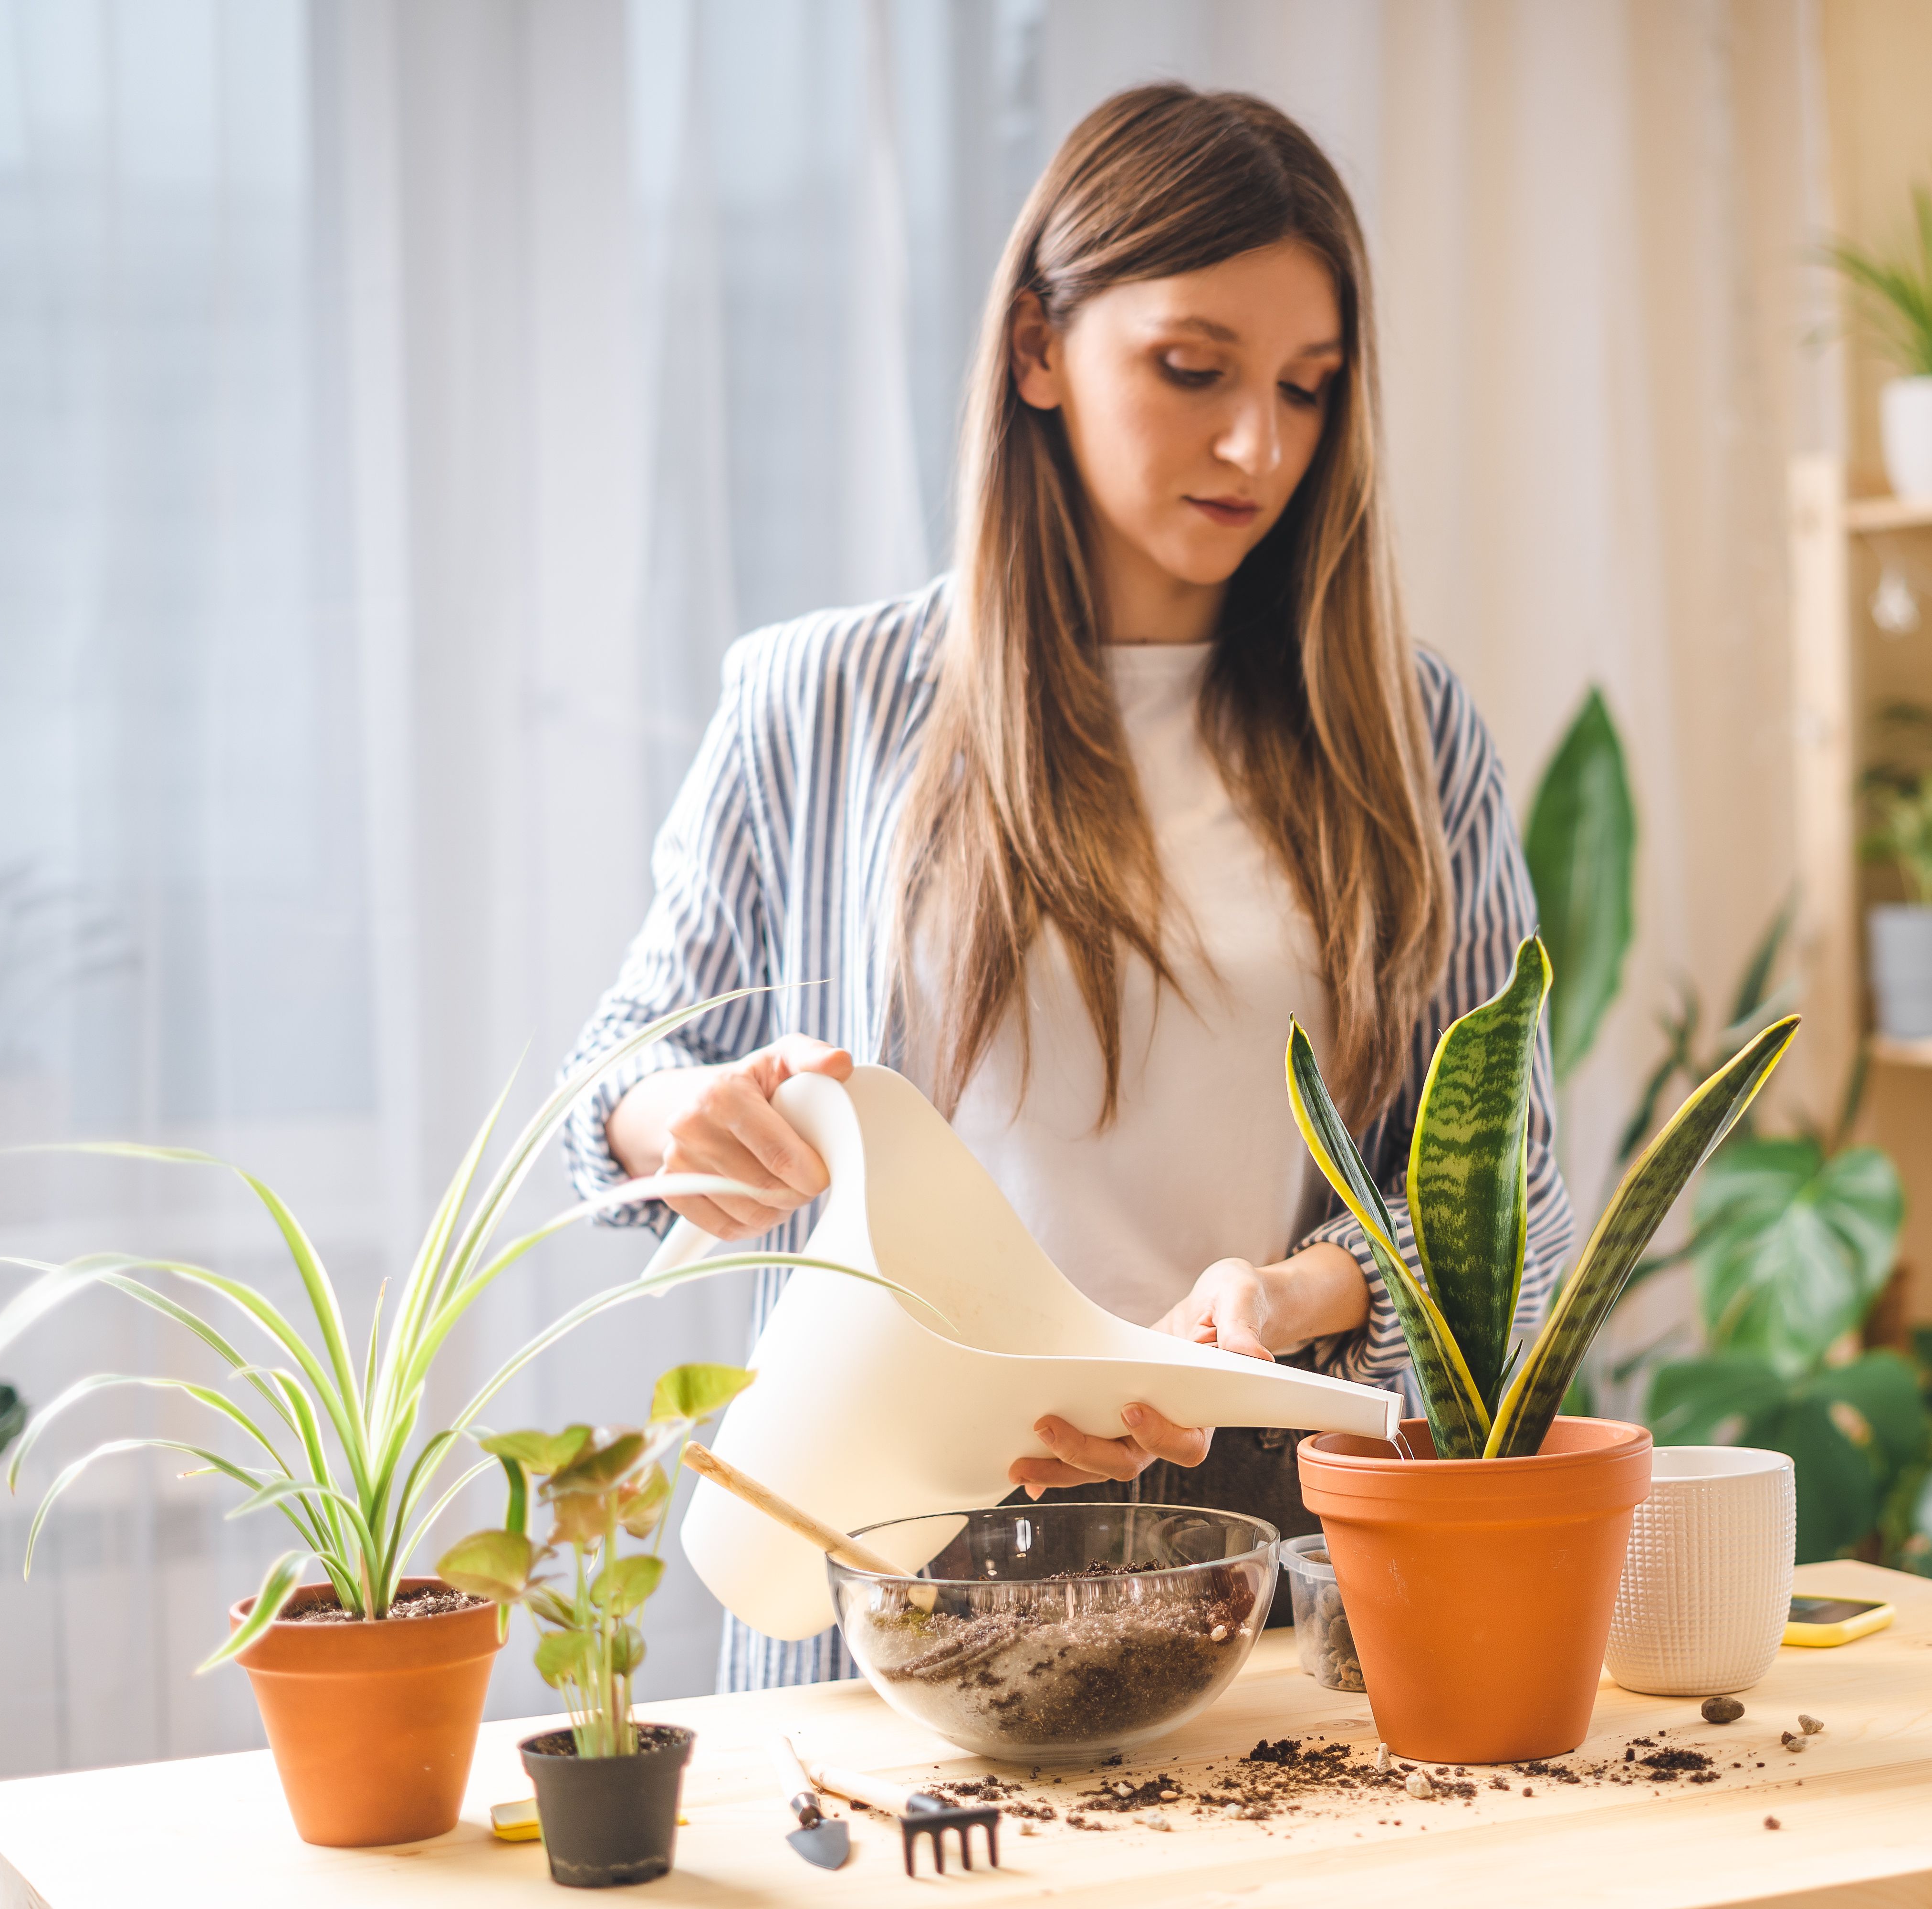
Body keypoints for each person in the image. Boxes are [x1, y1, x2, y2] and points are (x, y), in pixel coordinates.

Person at [560, 82, 1570, 1691]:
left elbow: (1511, 1194)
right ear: (1037, 349)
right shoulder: (819, 700)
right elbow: (609, 1073)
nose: (1259, 445)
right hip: (890, 1552)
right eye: (1194, 371)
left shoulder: (1404, 726)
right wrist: (672, 1123)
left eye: (1308, 391)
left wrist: (1296, 1295)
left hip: (1257, 1564)